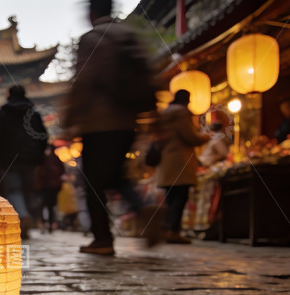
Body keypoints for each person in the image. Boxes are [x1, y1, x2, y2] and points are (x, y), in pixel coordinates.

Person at [62, 0, 156, 255]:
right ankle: (143, 206)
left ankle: (102, 239)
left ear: (92, 13)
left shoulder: (92, 38)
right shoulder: (129, 36)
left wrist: (68, 119)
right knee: (115, 175)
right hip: (128, 120)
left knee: (92, 182)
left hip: (98, 122)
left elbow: (84, 80)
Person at [0, 85, 47, 239]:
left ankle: (22, 215)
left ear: (9, 95)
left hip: (8, 158)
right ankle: (29, 217)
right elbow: (42, 137)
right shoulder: (33, 114)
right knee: (29, 190)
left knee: (14, 190)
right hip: (30, 158)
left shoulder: (4, 113)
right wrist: (40, 158)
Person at [154, 90, 209, 245]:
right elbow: (190, 137)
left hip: (166, 161)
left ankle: (166, 230)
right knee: (180, 196)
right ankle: (173, 231)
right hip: (180, 161)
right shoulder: (181, 114)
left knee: (170, 198)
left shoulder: (164, 114)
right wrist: (205, 137)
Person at [35, 144, 65, 233]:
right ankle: (49, 223)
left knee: (43, 205)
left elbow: (38, 172)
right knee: (50, 206)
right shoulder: (56, 158)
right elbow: (62, 171)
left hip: (45, 186)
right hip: (53, 186)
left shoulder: (43, 158)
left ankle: (45, 223)